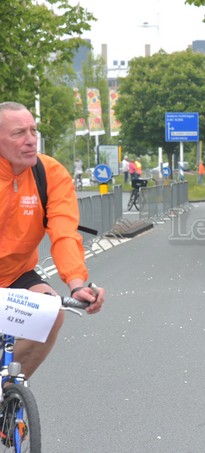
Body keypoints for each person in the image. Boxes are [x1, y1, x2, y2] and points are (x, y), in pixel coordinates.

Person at [0, 102, 105, 379]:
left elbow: (64, 232)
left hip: (16, 273)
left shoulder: (49, 174)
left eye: (33, 130)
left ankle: (8, 394)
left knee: (50, 314)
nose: (31, 139)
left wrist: (76, 283)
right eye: (18, 133)